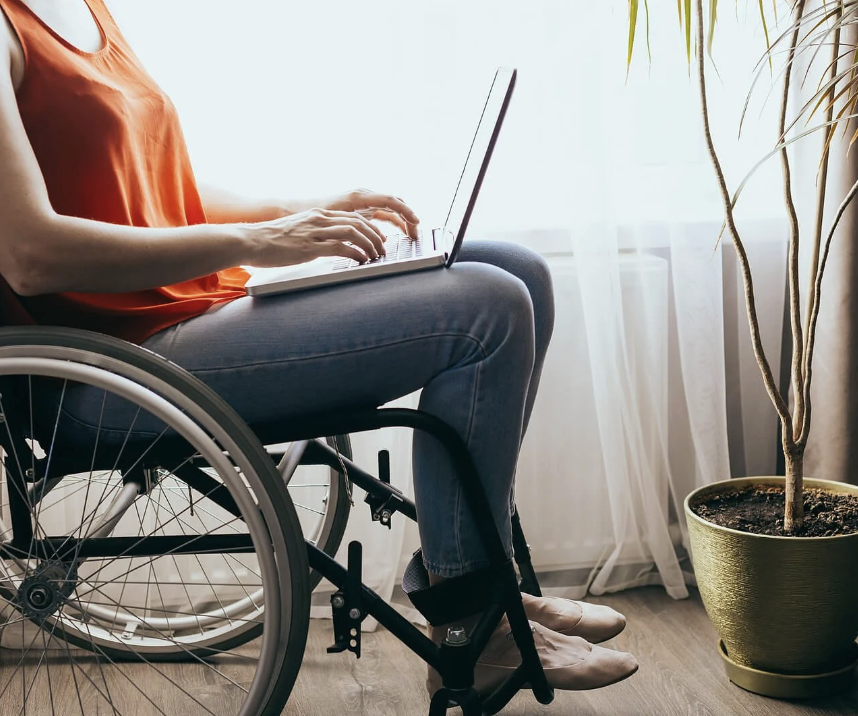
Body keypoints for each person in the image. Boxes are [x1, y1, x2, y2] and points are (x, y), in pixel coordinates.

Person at [0, 0, 638, 697]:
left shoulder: (85, 8)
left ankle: (490, 588)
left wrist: (300, 214)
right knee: (489, 310)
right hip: (117, 369)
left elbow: (153, 189)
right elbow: (30, 256)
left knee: (521, 272)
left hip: (187, 314)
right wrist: (257, 244)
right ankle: (472, 623)